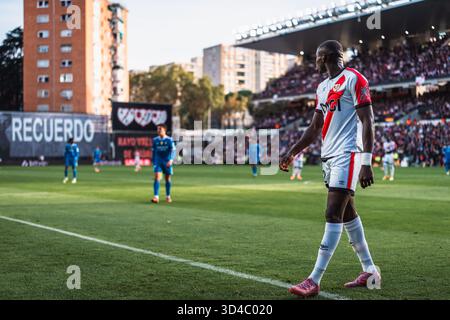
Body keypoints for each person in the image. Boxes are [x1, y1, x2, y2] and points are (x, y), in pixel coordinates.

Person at [280, 40, 380, 298]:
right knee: (347, 214)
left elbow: (367, 120)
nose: (314, 61)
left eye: (317, 57)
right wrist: (292, 151)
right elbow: (315, 128)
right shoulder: (322, 87)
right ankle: (370, 270)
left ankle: (314, 279)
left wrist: (366, 161)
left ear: (325, 57)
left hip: (348, 153)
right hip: (329, 157)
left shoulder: (354, 79)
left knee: (332, 212)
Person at [152, 124, 175, 204]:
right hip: (158, 161)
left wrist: (171, 160)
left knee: (167, 179)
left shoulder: (169, 140)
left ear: (164, 130)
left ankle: (168, 196)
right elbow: (153, 152)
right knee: (157, 177)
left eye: (160, 129)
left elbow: (173, 151)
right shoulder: (155, 140)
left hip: (167, 162)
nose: (158, 131)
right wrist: (153, 162)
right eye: (157, 129)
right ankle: (156, 197)